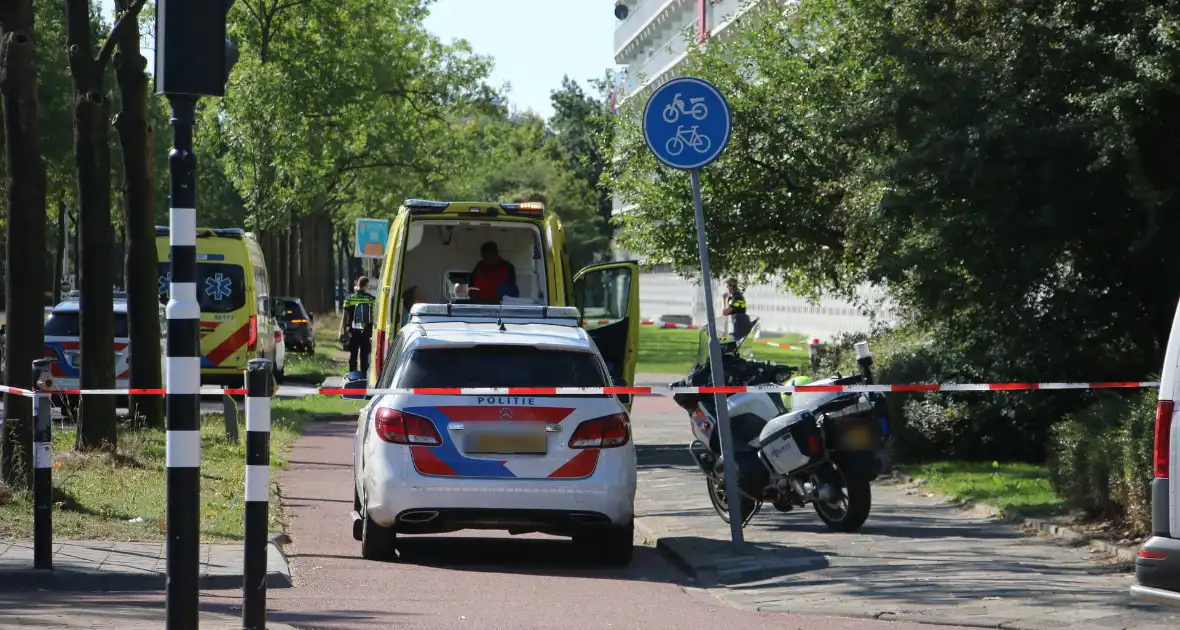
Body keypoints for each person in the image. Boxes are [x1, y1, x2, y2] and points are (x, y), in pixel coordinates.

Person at [339, 276, 377, 375]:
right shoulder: (371, 299)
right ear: (366, 285)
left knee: (353, 355)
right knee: (364, 355)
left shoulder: (349, 299)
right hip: (366, 331)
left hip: (353, 331)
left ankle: (353, 374)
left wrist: (342, 331)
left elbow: (345, 317)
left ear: (357, 285)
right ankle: (364, 375)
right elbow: (374, 316)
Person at [721, 277, 753, 342]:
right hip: (738, 327)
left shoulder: (737, 298)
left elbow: (725, 313)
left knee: (735, 347)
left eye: (728, 286)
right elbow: (727, 312)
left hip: (741, 327)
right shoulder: (733, 297)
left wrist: (724, 299)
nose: (727, 288)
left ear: (731, 287)